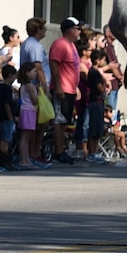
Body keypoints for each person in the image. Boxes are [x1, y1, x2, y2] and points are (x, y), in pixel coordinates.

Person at [48, 19, 83, 163]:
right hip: (62, 88)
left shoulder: (72, 45)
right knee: (59, 120)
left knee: (64, 121)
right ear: (69, 30)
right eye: (77, 28)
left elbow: (72, 69)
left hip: (70, 88)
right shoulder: (60, 44)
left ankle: (61, 149)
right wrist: (59, 87)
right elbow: (54, 65)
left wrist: (75, 87)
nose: (79, 31)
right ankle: (58, 151)